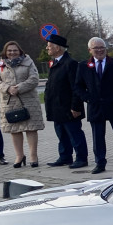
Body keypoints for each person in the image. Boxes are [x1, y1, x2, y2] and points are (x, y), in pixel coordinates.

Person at [74, 37, 113, 174]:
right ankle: (100, 163)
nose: (99, 50)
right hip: (95, 107)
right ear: (90, 50)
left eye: (102, 47)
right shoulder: (83, 66)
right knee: (98, 138)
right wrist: (88, 99)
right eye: (96, 48)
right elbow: (78, 87)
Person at [42, 34, 88, 168]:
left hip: (68, 107)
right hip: (57, 107)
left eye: (49, 46)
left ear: (57, 48)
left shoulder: (70, 63)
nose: (47, 49)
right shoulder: (55, 63)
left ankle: (81, 158)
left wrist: (76, 107)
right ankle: (65, 156)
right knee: (61, 134)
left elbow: (76, 87)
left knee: (74, 133)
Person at [0, 40, 45, 168]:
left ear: (19, 51)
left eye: (15, 50)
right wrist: (8, 88)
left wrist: (18, 88)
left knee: (31, 128)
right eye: (9, 50)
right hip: (9, 101)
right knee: (14, 129)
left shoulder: (28, 62)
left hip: (28, 100)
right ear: (5, 52)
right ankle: (19, 156)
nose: (12, 53)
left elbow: (34, 78)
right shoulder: (0, 64)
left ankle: (33, 156)